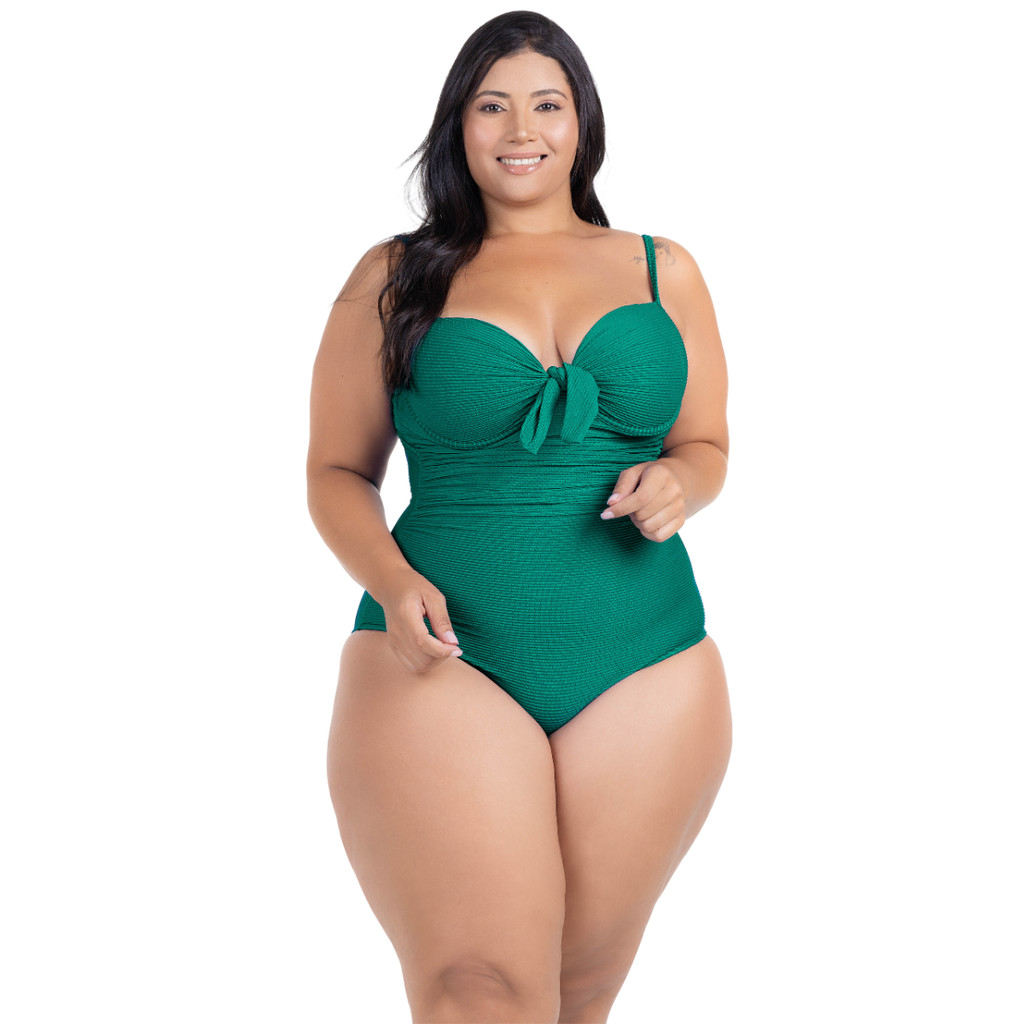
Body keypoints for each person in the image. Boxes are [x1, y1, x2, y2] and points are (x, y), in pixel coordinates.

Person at [306, 11, 732, 1023]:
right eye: (491, 107)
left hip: (646, 656)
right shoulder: (393, 276)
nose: (521, 130)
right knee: (478, 991)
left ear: (582, 122)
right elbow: (334, 471)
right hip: (443, 650)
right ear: (457, 124)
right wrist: (390, 582)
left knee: (578, 993)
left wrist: (683, 482)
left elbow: (707, 444)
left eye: (547, 104)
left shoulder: (662, 267)